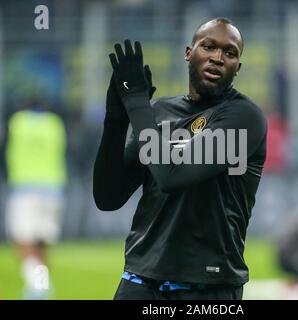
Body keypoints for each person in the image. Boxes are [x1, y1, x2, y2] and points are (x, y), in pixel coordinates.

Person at [93, 18, 267, 300]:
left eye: (230, 52)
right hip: (140, 279)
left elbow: (173, 175)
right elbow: (108, 196)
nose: (217, 58)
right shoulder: (159, 112)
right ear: (189, 53)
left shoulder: (244, 117)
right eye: (208, 46)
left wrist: (137, 103)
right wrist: (116, 116)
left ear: (238, 68)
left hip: (207, 286)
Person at [3, 100, 67, 299]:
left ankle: (37, 288)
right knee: (41, 243)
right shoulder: (55, 123)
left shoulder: (17, 122)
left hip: (25, 187)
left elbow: (3, 148)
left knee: (23, 240)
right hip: (54, 188)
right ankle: (41, 284)